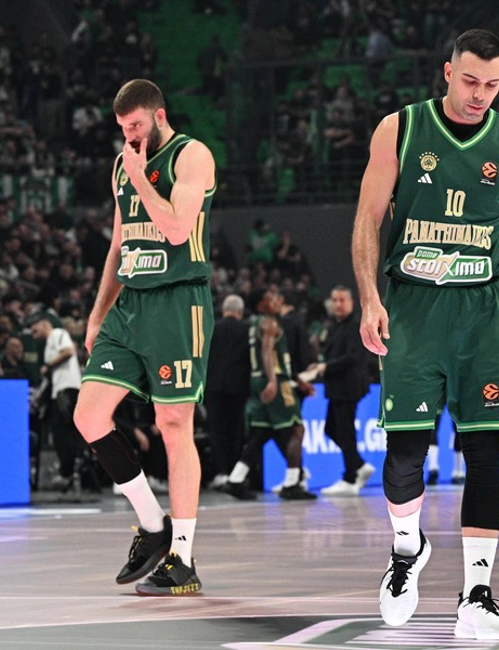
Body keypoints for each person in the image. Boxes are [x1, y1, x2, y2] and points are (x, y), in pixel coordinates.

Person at [351, 29, 499, 641]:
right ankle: (406, 548)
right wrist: (370, 298)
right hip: (413, 307)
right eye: (470, 81)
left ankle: (477, 597)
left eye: (491, 84)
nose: (479, 94)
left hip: (486, 310)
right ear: (447, 72)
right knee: (406, 453)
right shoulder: (400, 129)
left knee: (485, 452)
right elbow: (368, 219)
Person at [72, 79, 217, 596]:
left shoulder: (192, 155)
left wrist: (140, 178)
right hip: (130, 304)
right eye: (122, 128)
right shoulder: (122, 164)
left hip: (178, 302)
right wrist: (96, 316)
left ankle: (183, 558)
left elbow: (177, 229)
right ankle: (153, 525)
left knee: (173, 424)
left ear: (158, 115)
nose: (129, 136)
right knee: (88, 416)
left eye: (135, 125)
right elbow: (118, 244)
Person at [223, 286, 318, 500]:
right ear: (261, 304)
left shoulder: (256, 323)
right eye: (270, 297)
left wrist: (298, 380)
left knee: (262, 432)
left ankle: (235, 479)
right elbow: (267, 353)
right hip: (274, 382)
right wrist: (274, 381)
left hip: (260, 380)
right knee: (296, 429)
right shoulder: (269, 322)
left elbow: (275, 357)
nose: (276, 300)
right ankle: (292, 484)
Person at [313, 285, 376, 496]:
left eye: (342, 300)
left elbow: (353, 357)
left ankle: (350, 477)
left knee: (345, 431)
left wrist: (326, 367)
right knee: (331, 429)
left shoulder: (355, 325)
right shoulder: (334, 326)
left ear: (351, 302)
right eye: (334, 300)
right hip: (337, 388)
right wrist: (320, 365)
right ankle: (358, 464)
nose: (338, 304)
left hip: (348, 387)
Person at [30, 314, 83, 488]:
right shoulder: (48, 345)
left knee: (63, 432)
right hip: (58, 390)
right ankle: (68, 470)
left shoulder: (58, 334)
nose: (34, 336)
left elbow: (68, 351)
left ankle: (67, 472)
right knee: (61, 431)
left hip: (66, 389)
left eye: (35, 330)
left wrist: (48, 365)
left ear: (44, 324)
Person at [206, 294, 252, 490]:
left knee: (216, 430)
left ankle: (220, 472)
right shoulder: (247, 329)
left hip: (213, 387)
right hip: (238, 387)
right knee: (236, 430)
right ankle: (234, 472)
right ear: (239, 312)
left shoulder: (211, 327)